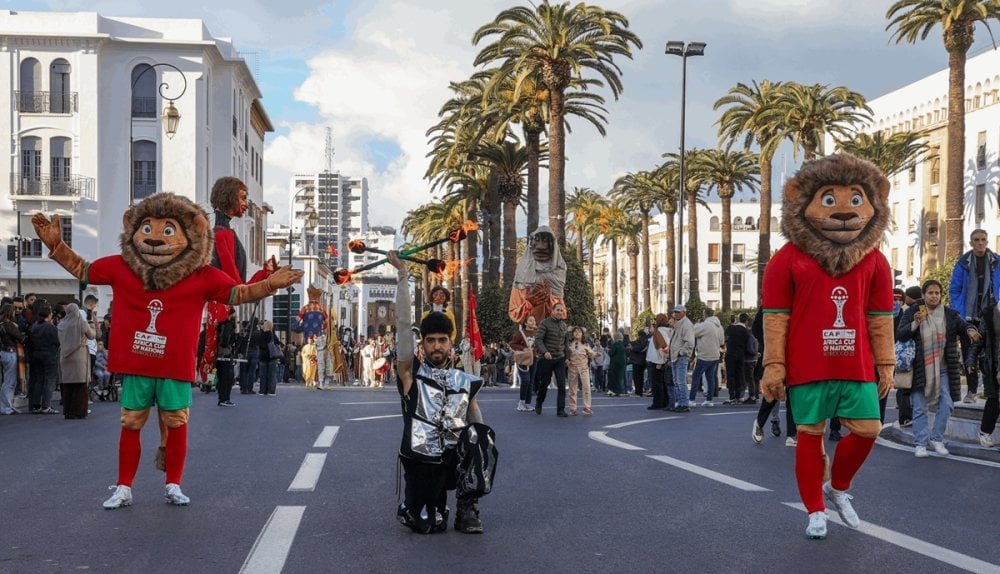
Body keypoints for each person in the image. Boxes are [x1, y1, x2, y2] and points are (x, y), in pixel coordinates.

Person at [32, 193, 301, 509]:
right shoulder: (123, 268)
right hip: (137, 364)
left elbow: (238, 294)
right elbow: (84, 269)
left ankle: (173, 483)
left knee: (176, 423)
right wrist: (56, 247)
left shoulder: (201, 276)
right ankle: (124, 487)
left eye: (168, 230)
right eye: (147, 229)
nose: (156, 238)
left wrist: (270, 284)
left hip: (174, 366)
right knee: (131, 423)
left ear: (192, 236)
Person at [389, 251, 488, 535]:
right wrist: (403, 275)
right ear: (423, 343)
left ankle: (468, 508)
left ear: (449, 343)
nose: (436, 346)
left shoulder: (463, 379)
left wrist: (479, 445)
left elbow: (475, 415)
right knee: (428, 525)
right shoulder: (411, 375)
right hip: (421, 461)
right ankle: (429, 506)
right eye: (430, 340)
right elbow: (404, 327)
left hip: (452, 458)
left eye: (442, 340)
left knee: (480, 438)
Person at [896, 280, 980, 458]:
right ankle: (920, 443)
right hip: (920, 367)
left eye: (937, 293)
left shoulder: (948, 314)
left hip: (943, 369)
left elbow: (962, 325)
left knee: (947, 404)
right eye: (930, 293)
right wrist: (915, 324)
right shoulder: (915, 311)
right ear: (924, 295)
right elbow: (900, 334)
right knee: (919, 408)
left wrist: (970, 329)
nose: (934, 296)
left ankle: (936, 438)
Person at [950, 229, 1000, 403]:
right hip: (968, 318)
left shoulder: (996, 262)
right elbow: (955, 291)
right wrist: (961, 316)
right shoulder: (963, 263)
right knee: (969, 354)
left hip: (991, 317)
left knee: (992, 354)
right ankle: (971, 391)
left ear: (987, 242)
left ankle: (990, 391)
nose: (980, 243)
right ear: (970, 243)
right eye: (976, 240)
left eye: (983, 240)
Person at [57, 303, 96, 419]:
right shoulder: (81, 323)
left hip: (64, 357)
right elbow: (92, 336)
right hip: (79, 357)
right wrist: (92, 325)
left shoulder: (61, 324)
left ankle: (68, 411)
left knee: (68, 386)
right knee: (80, 386)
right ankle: (79, 411)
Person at [533, 303, 569, 416]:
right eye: (557, 310)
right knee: (544, 384)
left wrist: (567, 357)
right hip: (547, 359)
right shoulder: (545, 323)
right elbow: (538, 340)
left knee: (562, 385)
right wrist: (545, 352)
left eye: (561, 310)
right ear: (552, 311)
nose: (559, 312)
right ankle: (539, 402)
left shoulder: (563, 325)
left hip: (560, 359)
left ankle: (560, 410)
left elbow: (566, 343)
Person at [27, 306, 60, 414]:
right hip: (50, 356)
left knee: (39, 380)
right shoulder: (51, 328)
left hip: (36, 355)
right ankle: (46, 406)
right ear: (49, 315)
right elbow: (57, 341)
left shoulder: (34, 327)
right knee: (49, 380)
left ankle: (36, 405)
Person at [691, 308, 725, 406]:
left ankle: (691, 400)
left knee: (696, 376)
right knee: (710, 378)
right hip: (715, 355)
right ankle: (709, 400)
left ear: (705, 314)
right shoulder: (719, 326)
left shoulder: (706, 325)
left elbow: (693, 331)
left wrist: (698, 324)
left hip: (704, 355)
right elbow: (722, 342)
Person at [668, 305, 695, 412]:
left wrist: (681, 352)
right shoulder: (679, 324)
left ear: (684, 312)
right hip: (676, 356)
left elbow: (689, 342)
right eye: (675, 312)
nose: (676, 314)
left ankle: (684, 403)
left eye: (678, 312)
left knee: (680, 381)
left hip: (681, 357)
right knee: (677, 381)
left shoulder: (686, 325)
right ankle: (680, 403)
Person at [0, 304, 24, 414]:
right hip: (10, 353)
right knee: (10, 382)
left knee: (7, 381)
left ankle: (7, 406)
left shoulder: (2, 324)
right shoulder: (9, 324)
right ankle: (6, 408)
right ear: (11, 312)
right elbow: (19, 337)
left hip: (4, 352)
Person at [510, 315, 537, 412]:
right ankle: (521, 402)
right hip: (523, 359)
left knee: (531, 382)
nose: (533, 322)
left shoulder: (537, 333)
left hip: (534, 359)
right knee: (526, 380)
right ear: (525, 323)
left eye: (534, 320)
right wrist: (523, 348)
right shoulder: (520, 333)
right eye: (530, 320)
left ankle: (527, 403)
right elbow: (512, 344)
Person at [566, 326, 595, 415]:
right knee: (572, 389)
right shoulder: (569, 344)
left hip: (584, 368)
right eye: (575, 331)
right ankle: (572, 408)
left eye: (579, 331)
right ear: (572, 334)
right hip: (572, 368)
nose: (577, 333)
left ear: (582, 334)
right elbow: (565, 354)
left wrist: (595, 354)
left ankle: (586, 407)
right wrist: (566, 360)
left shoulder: (586, 344)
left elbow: (591, 354)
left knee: (586, 387)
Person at [646, 313, 671, 409]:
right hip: (660, 360)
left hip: (657, 360)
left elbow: (662, 347)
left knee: (656, 383)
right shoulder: (666, 331)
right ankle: (664, 401)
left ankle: (658, 403)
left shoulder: (659, 332)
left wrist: (660, 361)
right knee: (661, 383)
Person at [724, 313, 750, 404]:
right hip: (740, 355)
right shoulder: (746, 331)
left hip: (730, 354)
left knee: (730, 375)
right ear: (746, 321)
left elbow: (726, 339)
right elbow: (747, 345)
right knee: (739, 375)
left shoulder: (731, 328)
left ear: (738, 319)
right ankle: (739, 396)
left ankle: (732, 397)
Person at [215, 308, 238, 407]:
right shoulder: (228, 324)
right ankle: (225, 398)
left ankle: (221, 398)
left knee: (221, 376)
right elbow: (225, 339)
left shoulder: (219, 324)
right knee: (227, 377)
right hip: (225, 352)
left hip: (218, 352)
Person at [628, 325, 650, 397]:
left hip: (637, 361)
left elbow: (637, 348)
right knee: (640, 377)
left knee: (637, 377)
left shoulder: (641, 340)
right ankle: (639, 391)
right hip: (642, 361)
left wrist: (632, 348)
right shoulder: (646, 340)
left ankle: (638, 392)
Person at [607, 332, 627, 396]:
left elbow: (611, 353)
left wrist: (608, 350)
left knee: (614, 377)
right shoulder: (622, 345)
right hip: (622, 364)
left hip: (614, 364)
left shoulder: (615, 344)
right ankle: (620, 390)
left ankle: (614, 390)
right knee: (620, 377)